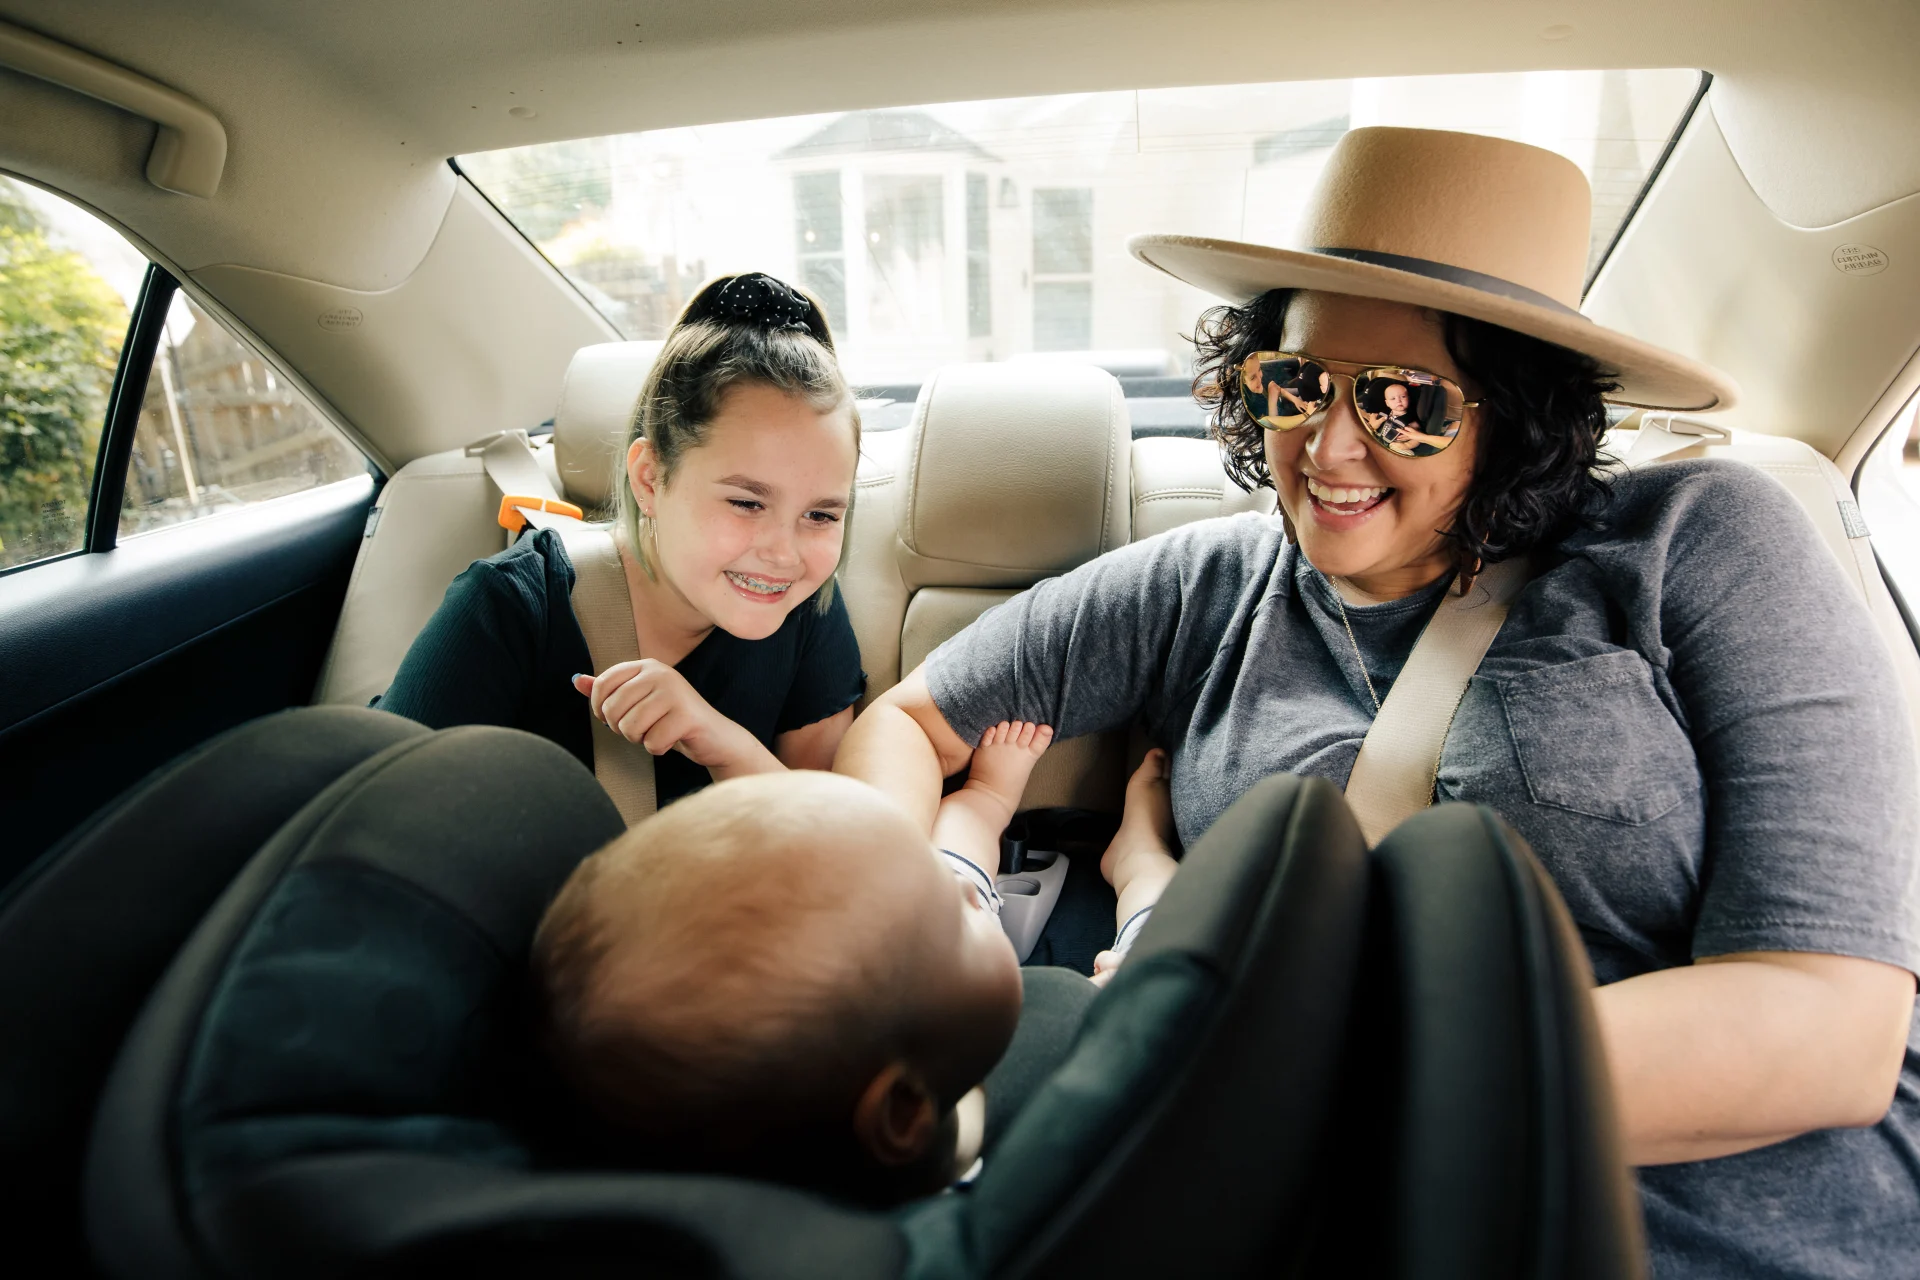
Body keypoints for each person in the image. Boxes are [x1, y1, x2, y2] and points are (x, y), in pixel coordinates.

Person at [836, 126, 1920, 1277]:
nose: (1330, 443)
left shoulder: (1699, 542)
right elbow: (910, 721)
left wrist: (1301, 1070)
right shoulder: (1204, 585)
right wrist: (912, 932)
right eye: (1295, 383)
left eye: (1408, 401)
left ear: (1517, 412)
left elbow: (1831, 1022)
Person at [530, 725, 1177, 1204]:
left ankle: (983, 800)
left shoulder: (866, 1075)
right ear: (901, 1113)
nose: (962, 896)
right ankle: (1137, 856)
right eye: (957, 917)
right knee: (1143, 963)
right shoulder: (1039, 1181)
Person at [380, 273, 867, 808]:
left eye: (820, 515)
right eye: (747, 503)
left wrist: (725, 747)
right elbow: (379, 829)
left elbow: (830, 844)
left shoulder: (806, 609)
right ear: (649, 480)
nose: (784, 554)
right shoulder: (510, 609)